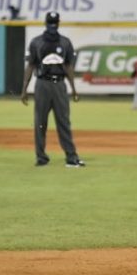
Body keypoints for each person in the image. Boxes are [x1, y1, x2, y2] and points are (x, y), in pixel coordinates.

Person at [20, 12, 85, 168]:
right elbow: (31, 65)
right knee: (40, 122)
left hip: (59, 85)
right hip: (42, 84)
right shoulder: (36, 42)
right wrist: (24, 89)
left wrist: (74, 89)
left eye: (54, 21)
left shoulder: (65, 42)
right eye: (51, 21)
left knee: (63, 121)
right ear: (46, 22)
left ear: (58, 23)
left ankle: (71, 157)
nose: (53, 24)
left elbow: (68, 66)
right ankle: (41, 157)